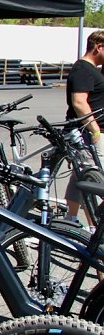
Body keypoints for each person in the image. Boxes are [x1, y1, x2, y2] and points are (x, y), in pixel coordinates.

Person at [64, 29, 104, 225]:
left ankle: (71, 218)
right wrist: (94, 130)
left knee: (80, 176)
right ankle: (95, 226)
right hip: (87, 133)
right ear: (99, 47)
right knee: (94, 180)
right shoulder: (83, 69)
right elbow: (79, 102)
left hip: (88, 133)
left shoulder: (93, 70)